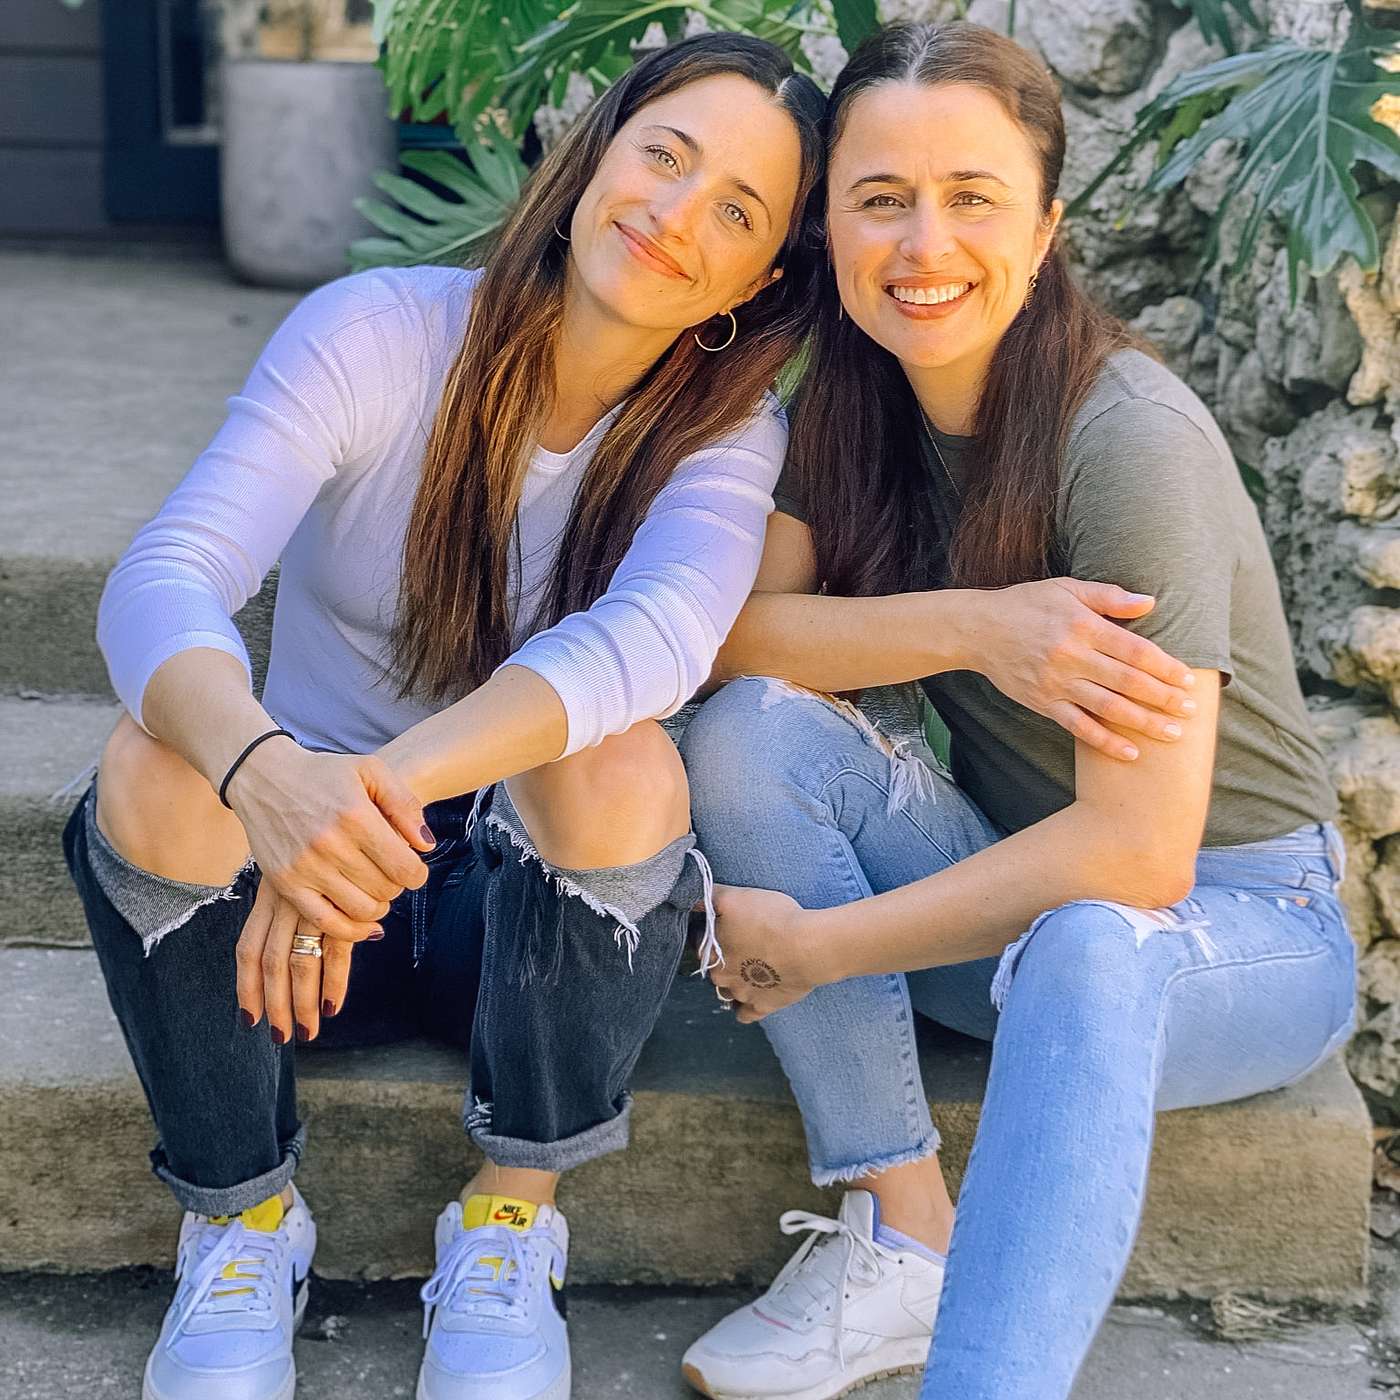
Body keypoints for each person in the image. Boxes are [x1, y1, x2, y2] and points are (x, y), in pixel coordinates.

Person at [62, 34, 827, 1400]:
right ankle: (243, 1224)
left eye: (737, 210)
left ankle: (508, 1221)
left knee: (622, 767)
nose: (675, 215)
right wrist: (268, 777)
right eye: (665, 155)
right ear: (593, 153)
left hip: (512, 926)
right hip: (294, 929)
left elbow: (654, 643)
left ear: (759, 280)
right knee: (157, 763)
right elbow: (166, 577)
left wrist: (366, 800)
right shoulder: (380, 334)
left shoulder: (724, 435)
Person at [677, 21, 1356, 1400]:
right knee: (748, 732)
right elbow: (726, 645)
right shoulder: (851, 405)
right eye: (881, 198)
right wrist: (979, 628)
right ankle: (901, 1236)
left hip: (1237, 931)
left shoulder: (1128, 438)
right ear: (827, 225)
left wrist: (819, 946)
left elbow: (1139, 856)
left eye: (972, 197)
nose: (924, 243)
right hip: (1006, 907)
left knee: (1094, 946)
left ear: (1045, 228)